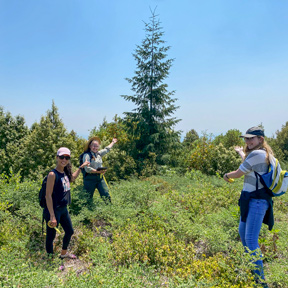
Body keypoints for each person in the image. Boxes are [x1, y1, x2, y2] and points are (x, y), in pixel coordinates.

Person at [224, 126, 273, 288]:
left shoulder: (258, 154)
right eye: (246, 138)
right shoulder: (258, 154)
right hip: (251, 200)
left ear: (261, 140)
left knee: (251, 240)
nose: (248, 141)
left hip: (257, 201)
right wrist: (240, 152)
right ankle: (253, 271)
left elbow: (239, 172)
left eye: (252, 138)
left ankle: (260, 283)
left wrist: (226, 175)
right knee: (243, 234)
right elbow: (247, 162)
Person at [44, 147, 90, 258]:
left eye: (67, 157)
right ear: (57, 158)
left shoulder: (65, 172)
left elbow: (72, 178)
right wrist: (52, 216)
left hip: (63, 209)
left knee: (69, 231)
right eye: (62, 157)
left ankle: (63, 254)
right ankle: (50, 260)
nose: (64, 159)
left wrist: (80, 167)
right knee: (51, 236)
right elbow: (48, 195)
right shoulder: (52, 174)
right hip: (53, 210)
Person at [82, 136, 117, 203]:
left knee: (106, 194)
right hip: (90, 178)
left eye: (97, 146)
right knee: (88, 197)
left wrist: (113, 142)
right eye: (94, 146)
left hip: (100, 177)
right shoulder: (87, 155)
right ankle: (87, 211)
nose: (95, 148)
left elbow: (107, 149)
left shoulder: (99, 154)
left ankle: (109, 209)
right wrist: (97, 171)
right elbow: (87, 168)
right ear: (90, 146)